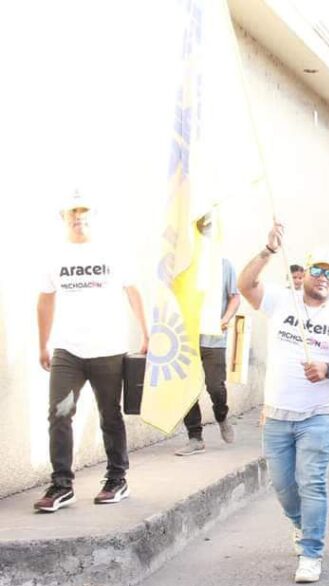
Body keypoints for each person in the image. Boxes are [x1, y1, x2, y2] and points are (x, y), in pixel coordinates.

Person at [238, 224, 329, 584]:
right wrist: (267, 251)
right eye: (318, 269)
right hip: (277, 412)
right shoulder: (281, 301)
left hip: (322, 413)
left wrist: (328, 369)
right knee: (282, 485)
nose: (324, 277)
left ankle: (311, 552)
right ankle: (300, 524)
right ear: (305, 272)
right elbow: (246, 286)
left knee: (312, 482)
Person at [34, 191, 149, 512]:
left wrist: (146, 331)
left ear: (92, 216)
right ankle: (61, 485)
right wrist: (43, 343)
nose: (78, 216)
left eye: (84, 211)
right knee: (58, 414)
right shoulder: (54, 255)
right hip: (67, 350)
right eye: (72, 212)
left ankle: (116, 478)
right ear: (64, 217)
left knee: (110, 414)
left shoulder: (112, 252)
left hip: (108, 349)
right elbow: (45, 300)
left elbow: (133, 290)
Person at [175, 217, 241, 456]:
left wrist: (226, 318)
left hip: (213, 337)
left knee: (215, 386)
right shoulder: (183, 267)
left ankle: (222, 416)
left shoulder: (224, 265)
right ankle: (195, 436)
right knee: (186, 388)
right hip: (185, 338)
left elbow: (235, 296)